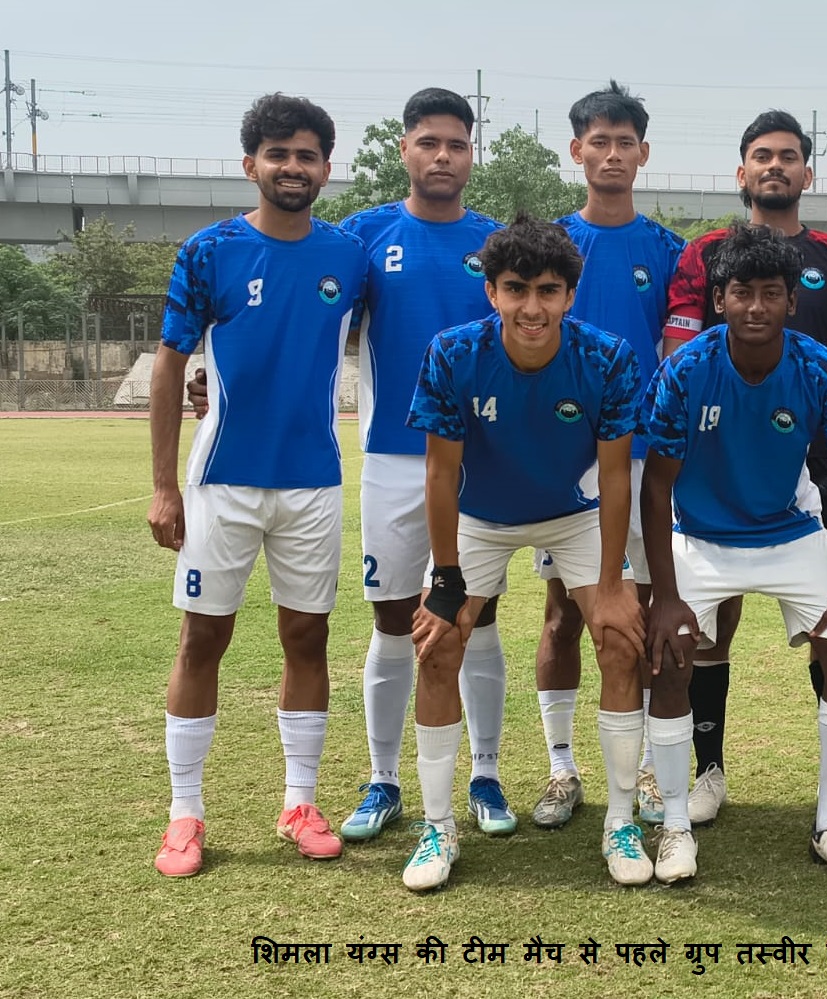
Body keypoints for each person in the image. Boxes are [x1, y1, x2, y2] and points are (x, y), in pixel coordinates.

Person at [185, 89, 515, 843]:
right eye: (428, 142)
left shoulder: (495, 242)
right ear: (404, 149)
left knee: (478, 616)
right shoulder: (362, 237)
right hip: (395, 458)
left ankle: (486, 774)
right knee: (393, 618)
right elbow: (306, 317)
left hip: (480, 459)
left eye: (456, 144)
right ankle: (383, 779)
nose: (441, 156)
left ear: (471, 154)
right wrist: (219, 377)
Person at [148, 93, 367, 877]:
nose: (292, 167)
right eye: (278, 154)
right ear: (251, 165)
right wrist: (164, 487)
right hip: (223, 480)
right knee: (202, 637)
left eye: (306, 155)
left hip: (312, 481)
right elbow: (171, 366)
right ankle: (184, 813)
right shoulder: (210, 250)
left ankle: (299, 802)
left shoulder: (349, 255)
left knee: (306, 637)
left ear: (326, 169)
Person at [403, 214, 649, 890]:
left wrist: (611, 584)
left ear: (569, 294)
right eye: (516, 289)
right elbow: (440, 474)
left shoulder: (607, 357)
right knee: (436, 644)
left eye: (547, 290)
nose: (532, 307)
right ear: (492, 292)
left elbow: (615, 476)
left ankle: (620, 821)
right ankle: (437, 825)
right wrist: (445, 581)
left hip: (572, 513)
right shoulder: (454, 352)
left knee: (620, 639)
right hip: (480, 517)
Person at [642, 222, 827, 879]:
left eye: (771, 293)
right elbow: (655, 488)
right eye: (741, 292)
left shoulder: (820, 368)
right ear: (718, 300)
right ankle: (675, 827)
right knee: (668, 660)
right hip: (701, 536)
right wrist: (664, 596)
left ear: (791, 302)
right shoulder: (685, 369)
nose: (755, 306)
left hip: (790, 531)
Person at [530, 81, 685, 830]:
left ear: (643, 153)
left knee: (642, 613)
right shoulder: (552, 245)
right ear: (577, 150)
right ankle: (561, 767)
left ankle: (646, 766)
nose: (613, 154)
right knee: (563, 614)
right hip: (564, 462)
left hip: (645, 458)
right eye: (600, 141)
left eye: (626, 142)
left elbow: (679, 353)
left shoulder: (668, 251)